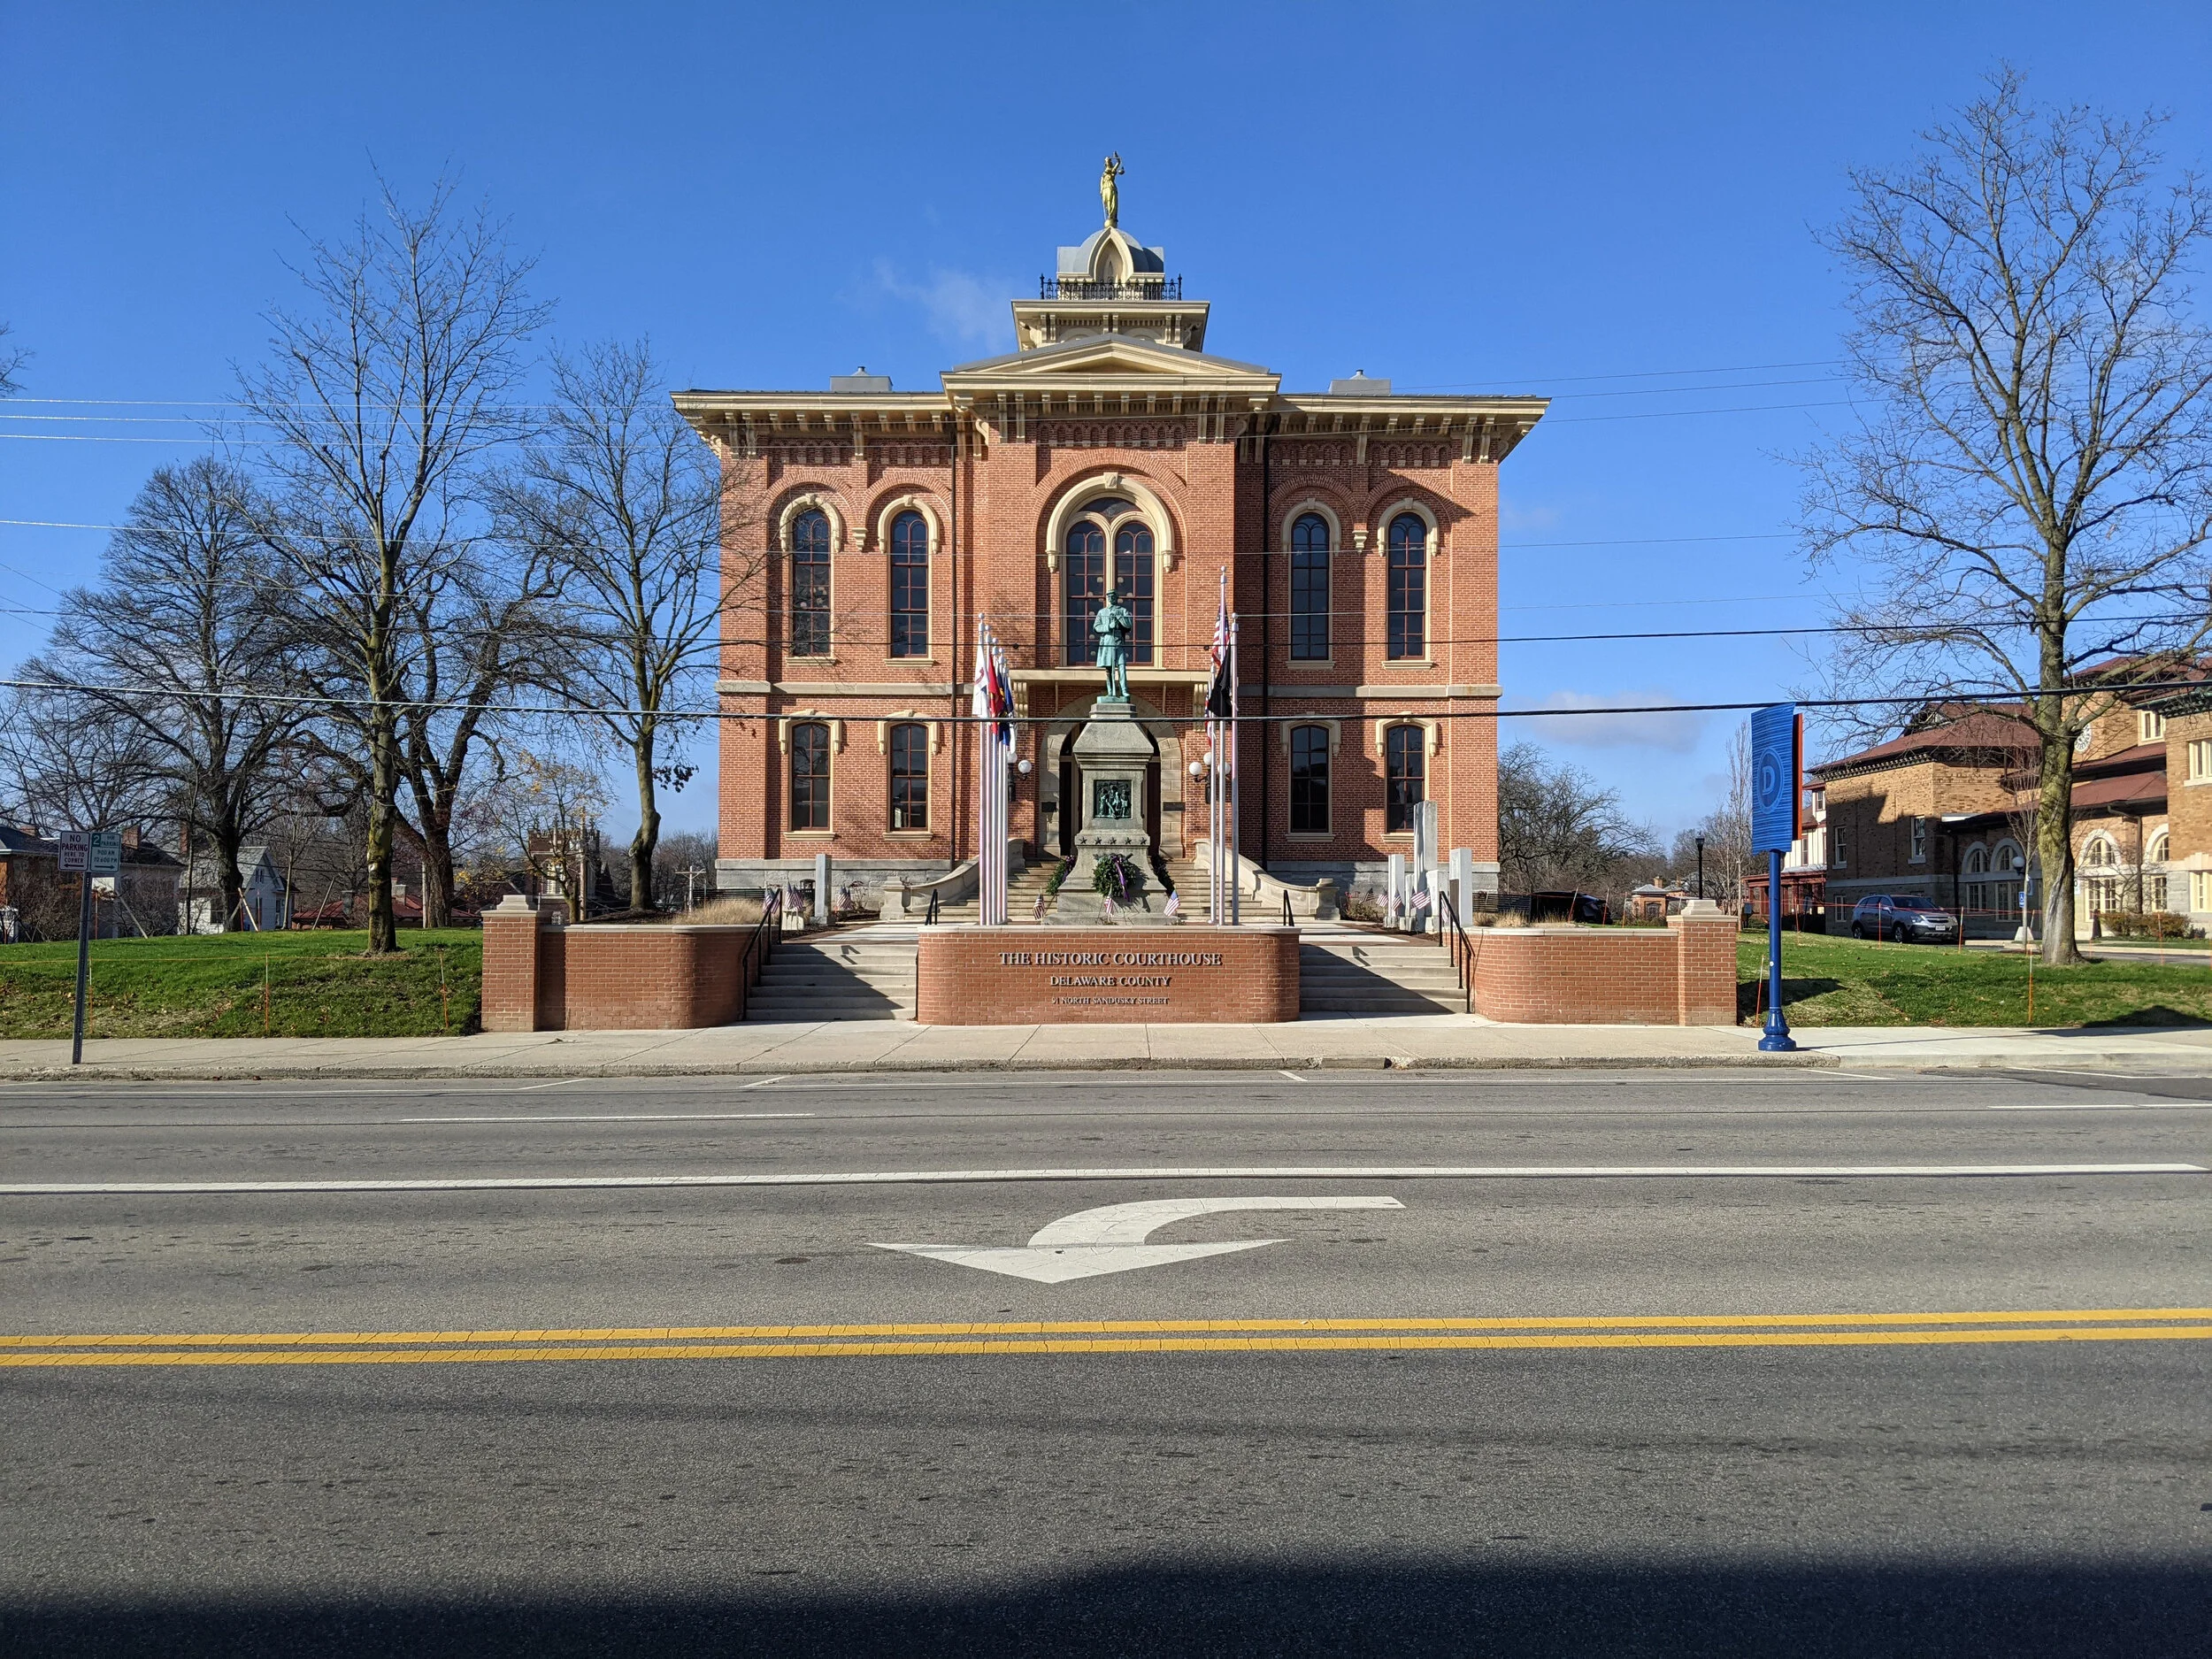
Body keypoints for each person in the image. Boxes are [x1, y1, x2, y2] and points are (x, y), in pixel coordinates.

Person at [1093, 584, 1133, 700]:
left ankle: (1124, 691)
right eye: (1109, 596)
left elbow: (1129, 625)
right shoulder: (1102, 612)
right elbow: (1096, 627)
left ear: (1116, 597)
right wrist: (1108, 626)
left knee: (1122, 667)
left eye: (1113, 596)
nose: (1111, 598)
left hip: (1119, 642)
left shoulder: (1123, 610)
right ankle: (1110, 692)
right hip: (1107, 642)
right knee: (1109, 669)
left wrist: (1119, 619)